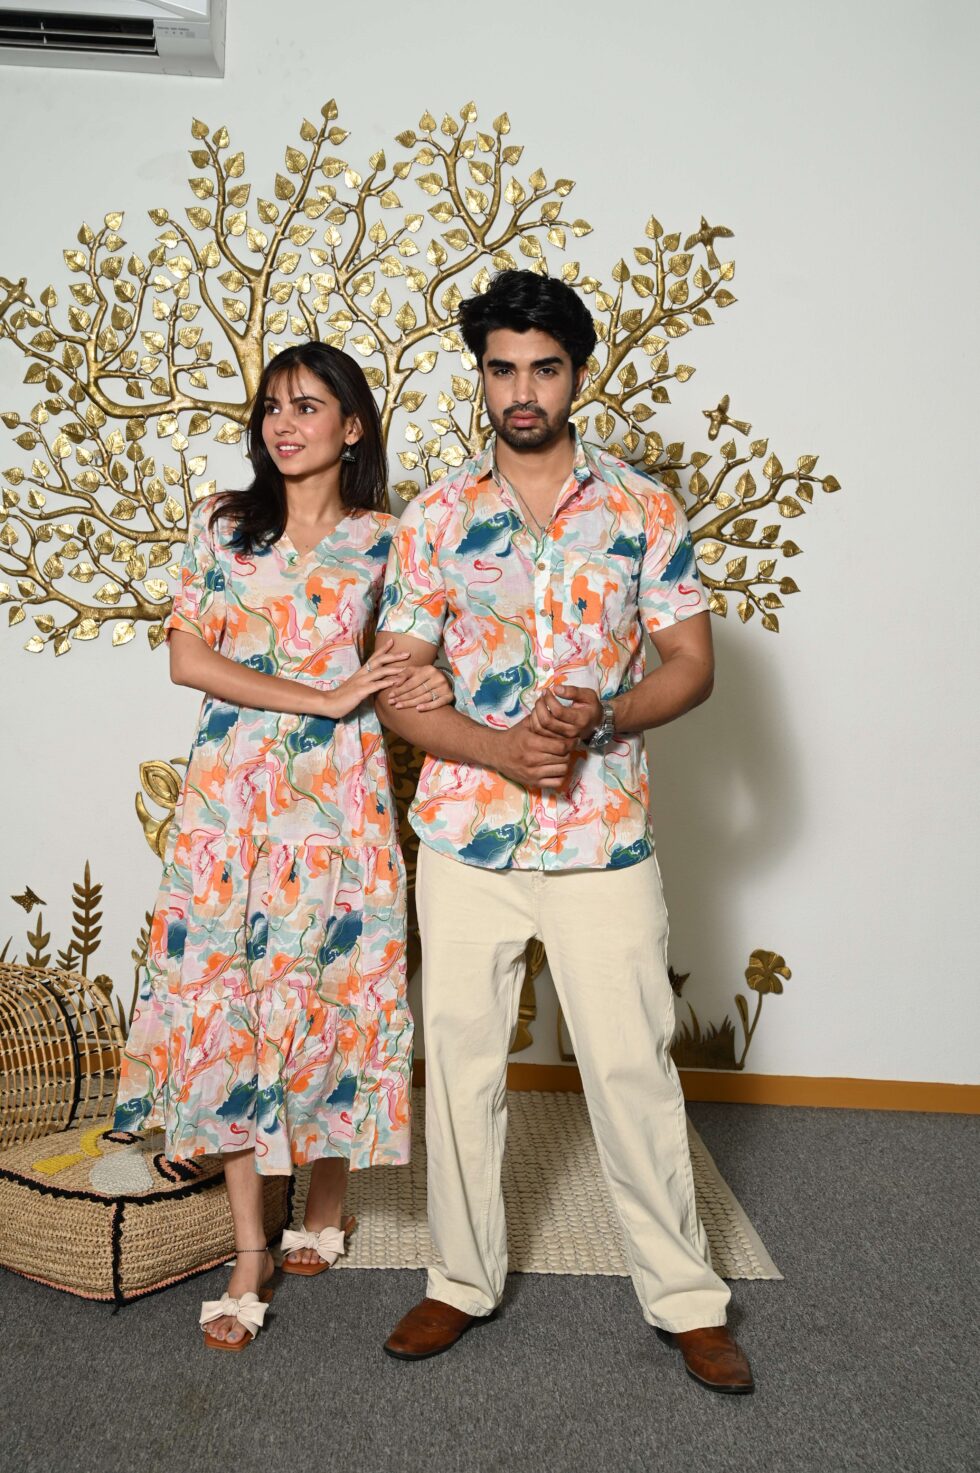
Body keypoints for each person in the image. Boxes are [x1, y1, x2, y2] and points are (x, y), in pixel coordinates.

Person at [374, 270, 754, 1393]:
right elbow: (400, 686)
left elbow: (690, 663)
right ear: (481, 375)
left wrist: (607, 715)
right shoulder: (435, 518)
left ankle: (686, 1299)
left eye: (543, 369)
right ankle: (458, 1280)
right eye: (502, 369)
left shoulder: (642, 509)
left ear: (577, 373)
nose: (522, 391)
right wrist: (498, 748)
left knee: (631, 1063)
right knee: (459, 1066)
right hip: (466, 837)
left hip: (602, 835)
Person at [114, 342, 452, 1351]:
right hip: (232, 802)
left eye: (308, 406)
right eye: (272, 407)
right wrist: (319, 695)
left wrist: (428, 681)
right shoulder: (223, 523)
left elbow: (417, 659)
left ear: (353, 427)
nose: (283, 424)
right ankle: (250, 1248)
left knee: (331, 989)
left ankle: (326, 1202)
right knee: (231, 999)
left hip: (340, 800)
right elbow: (187, 657)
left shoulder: (389, 540)